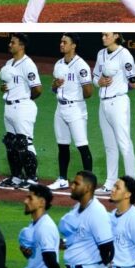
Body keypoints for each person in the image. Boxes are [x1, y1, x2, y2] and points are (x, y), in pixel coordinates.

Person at [93, 32, 135, 194]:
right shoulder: (101, 53)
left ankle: (131, 184)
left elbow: (134, 80)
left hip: (118, 102)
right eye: (102, 35)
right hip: (103, 104)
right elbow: (95, 76)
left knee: (124, 143)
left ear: (116, 36)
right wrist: (99, 82)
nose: (103, 37)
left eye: (106, 35)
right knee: (109, 145)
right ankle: (110, 183)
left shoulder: (124, 54)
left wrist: (122, 84)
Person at [59, 171, 113, 268]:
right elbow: (82, 237)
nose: (72, 186)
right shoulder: (78, 208)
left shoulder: (96, 211)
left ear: (88, 188)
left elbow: (108, 248)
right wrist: (65, 242)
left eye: (76, 183)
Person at [50, 33, 94, 190]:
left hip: (75, 109)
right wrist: (55, 84)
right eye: (61, 41)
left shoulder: (81, 65)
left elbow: (89, 92)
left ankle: (89, 183)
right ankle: (62, 179)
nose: (61, 44)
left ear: (73, 45)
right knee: (62, 145)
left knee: (82, 146)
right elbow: (53, 89)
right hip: (60, 108)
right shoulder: (58, 64)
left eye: (65, 42)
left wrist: (74, 98)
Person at [0, 33, 43, 188]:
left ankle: (32, 178)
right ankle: (16, 177)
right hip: (9, 106)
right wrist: (4, 88)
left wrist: (25, 98)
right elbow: (9, 85)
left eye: (13, 42)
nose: (10, 45)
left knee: (25, 142)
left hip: (23, 107)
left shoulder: (28, 64)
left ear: (22, 45)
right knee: (11, 142)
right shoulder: (9, 63)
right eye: (10, 42)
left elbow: (38, 89)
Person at [18, 184, 62, 268]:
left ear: (42, 202)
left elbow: (49, 256)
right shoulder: (35, 225)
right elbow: (40, 255)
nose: (25, 201)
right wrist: (27, 253)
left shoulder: (45, 226)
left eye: (30, 198)